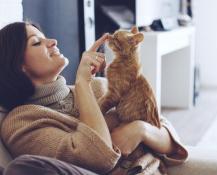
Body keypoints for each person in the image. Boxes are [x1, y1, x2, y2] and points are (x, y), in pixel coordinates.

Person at [0, 22, 188, 174]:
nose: (53, 41)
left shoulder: (100, 87)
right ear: (18, 66)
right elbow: (99, 158)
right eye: (36, 42)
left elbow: (170, 140)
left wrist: (140, 130)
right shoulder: (21, 121)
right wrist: (82, 82)